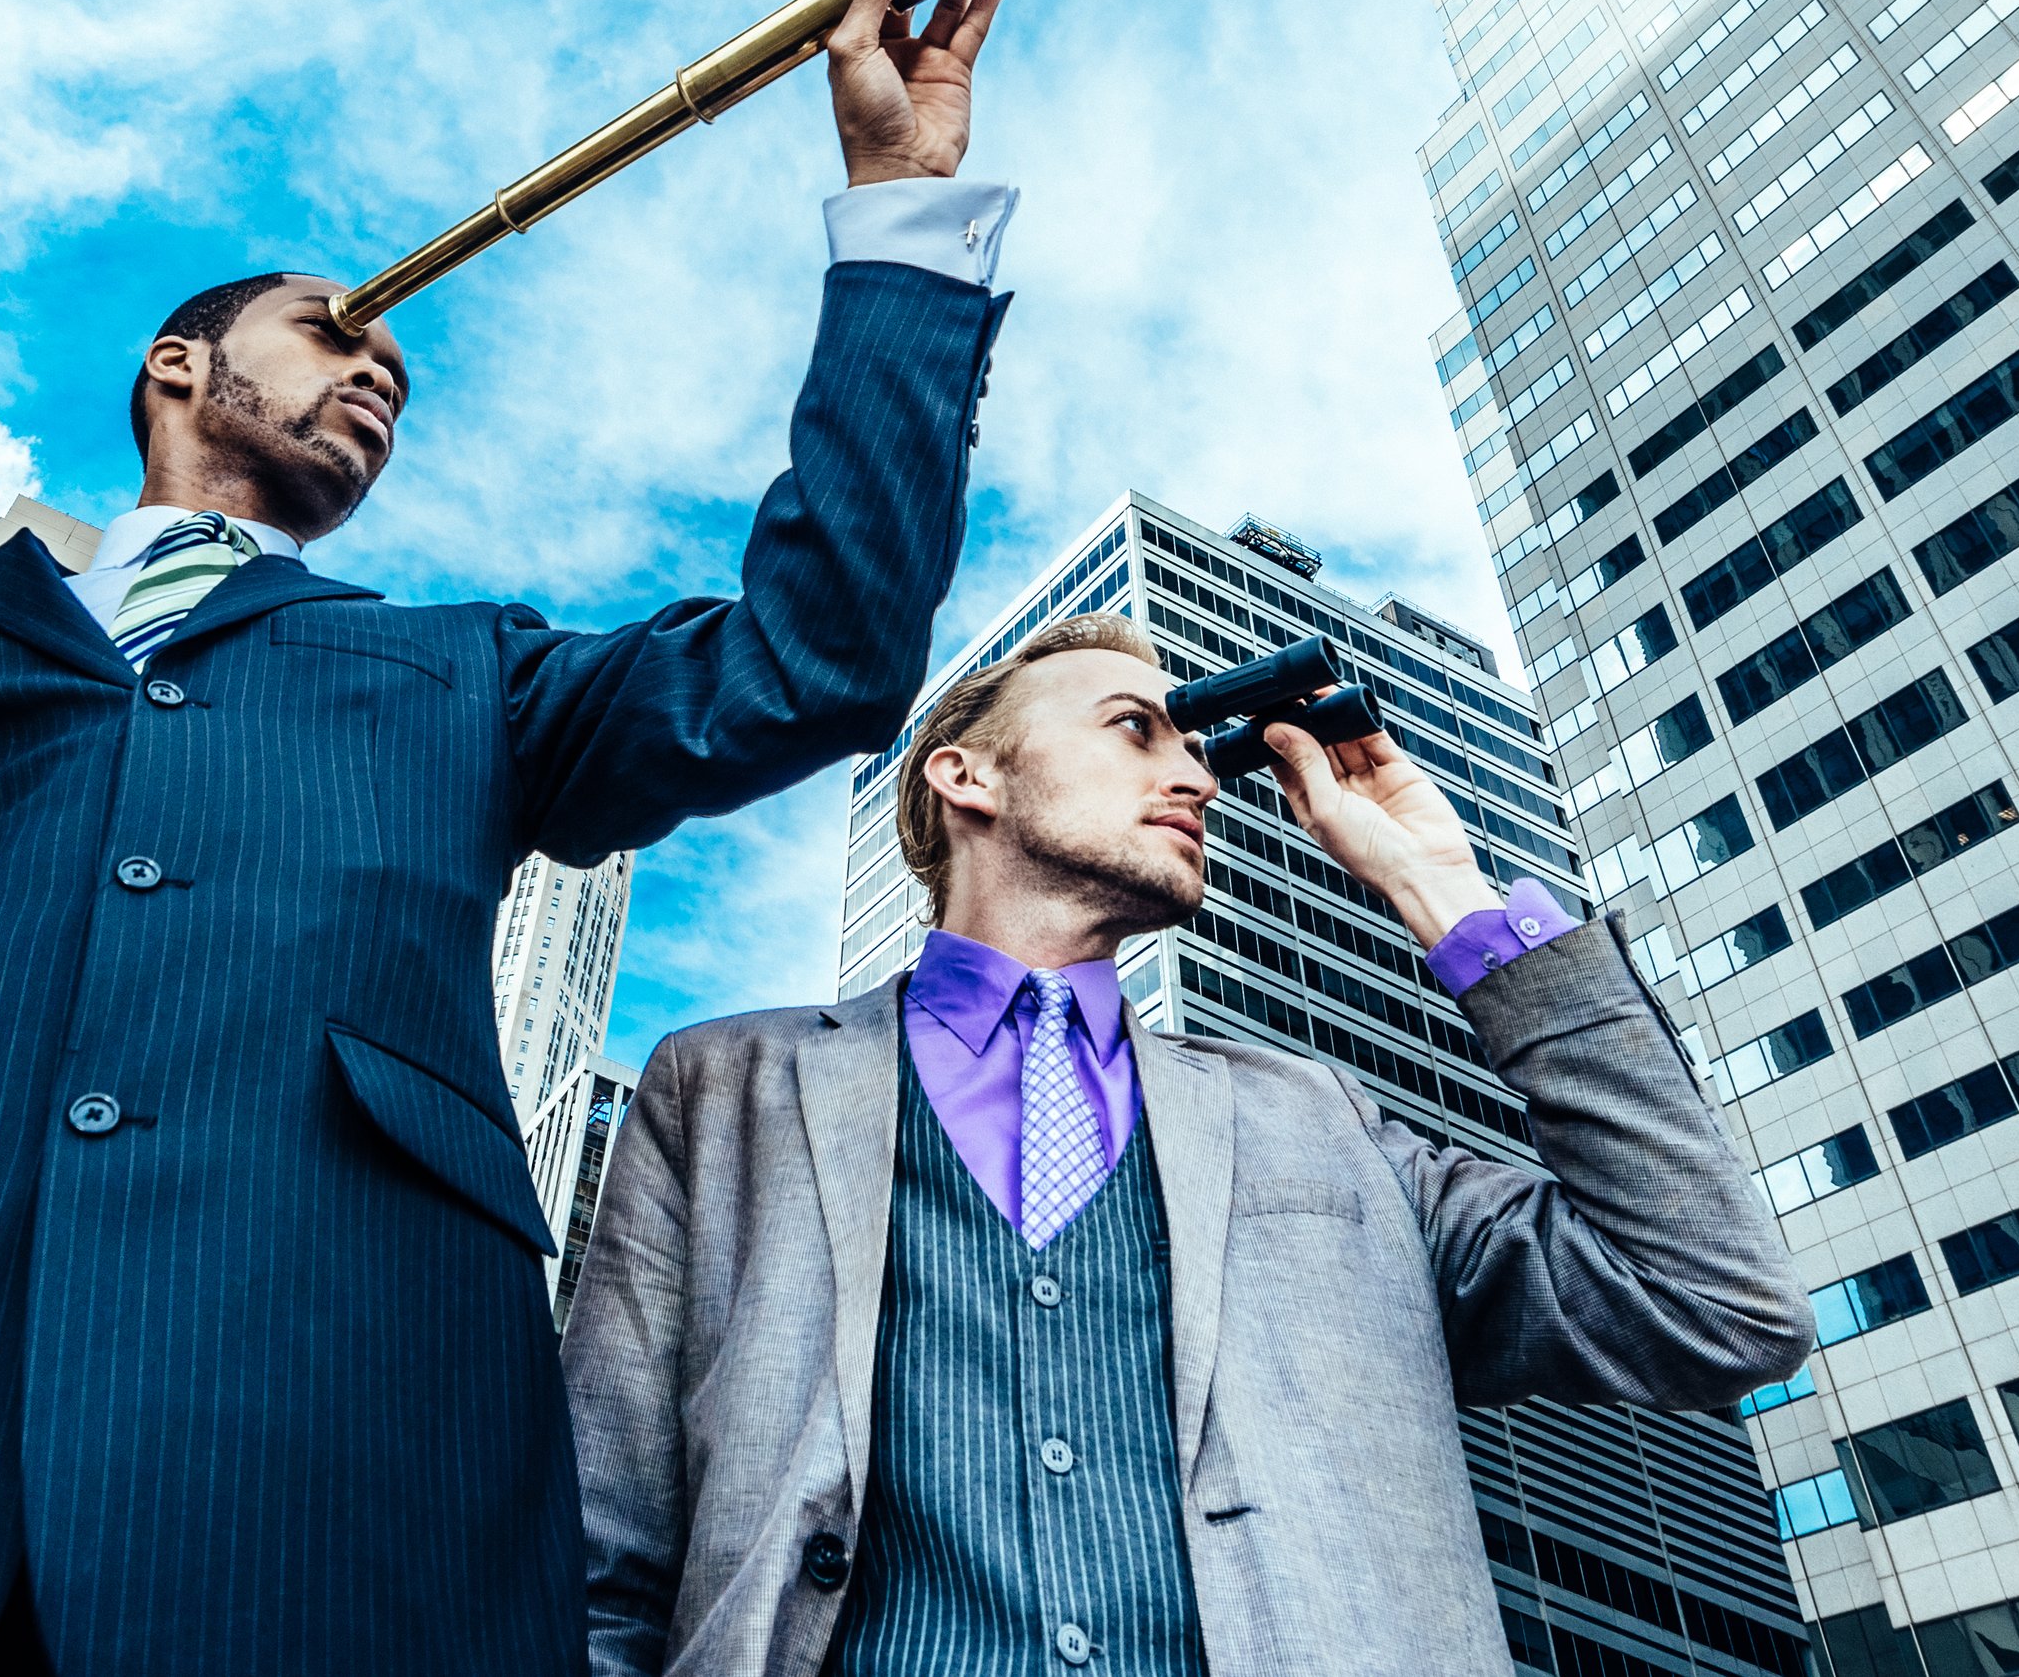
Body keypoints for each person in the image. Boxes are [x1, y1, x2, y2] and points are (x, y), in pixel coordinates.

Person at [0, 0, 1021, 1677]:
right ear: (175, 370)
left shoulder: (472, 674)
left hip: (322, 1483)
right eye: (335, 333)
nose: (374, 377)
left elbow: (821, 658)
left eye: (399, 387)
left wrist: (900, 209)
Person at [567, 612, 1815, 1677]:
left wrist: (1449, 893)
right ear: (969, 778)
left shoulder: (1324, 1123)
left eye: (1192, 743)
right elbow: (600, 1562)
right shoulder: (724, 1087)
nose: (1202, 777)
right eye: (1136, 728)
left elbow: (1713, 1305)